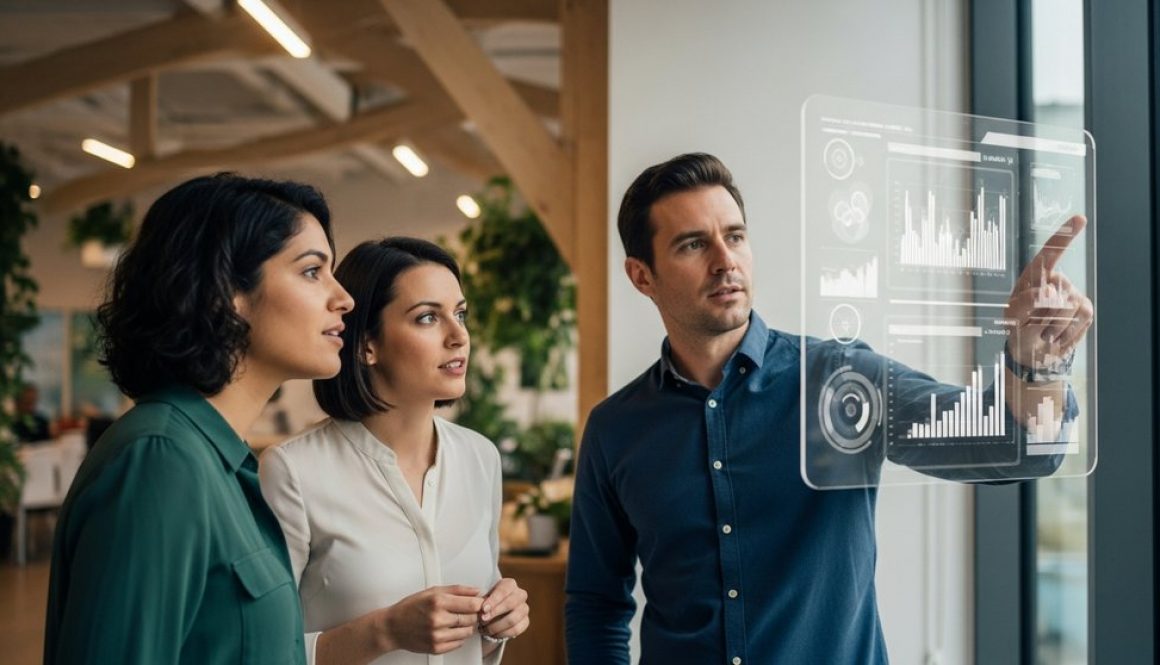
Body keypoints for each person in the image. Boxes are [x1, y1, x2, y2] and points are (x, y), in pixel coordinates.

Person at [564, 153, 1093, 663]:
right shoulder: (615, 430)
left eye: (736, 236)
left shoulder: (842, 380)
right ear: (641, 276)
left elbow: (1015, 449)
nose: (725, 261)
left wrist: (1033, 366)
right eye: (693, 244)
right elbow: (596, 604)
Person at [44, 173, 354, 664]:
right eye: (312, 271)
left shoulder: (218, 462)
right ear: (226, 288)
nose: (344, 298)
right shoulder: (160, 460)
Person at [259, 237, 531, 665]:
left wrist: (498, 624)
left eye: (460, 314)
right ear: (367, 344)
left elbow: (475, 635)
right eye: (427, 318)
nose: (459, 336)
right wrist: (385, 631)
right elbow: (262, 650)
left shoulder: (481, 458)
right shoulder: (293, 471)